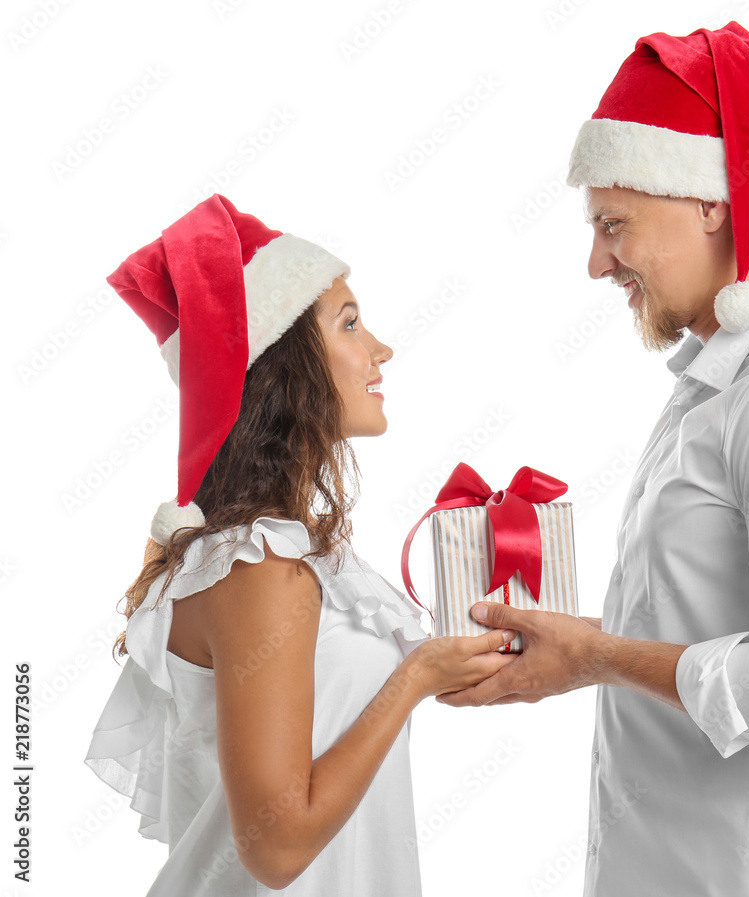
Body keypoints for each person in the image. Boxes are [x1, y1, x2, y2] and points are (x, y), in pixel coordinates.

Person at [438, 22, 749, 897]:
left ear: (710, 200)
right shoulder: (719, 384)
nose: (596, 262)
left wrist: (596, 656)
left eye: (613, 224)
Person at [83, 193, 517, 896]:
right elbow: (278, 848)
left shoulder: (298, 553)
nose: (381, 348)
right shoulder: (258, 567)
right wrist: (414, 679)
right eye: (349, 323)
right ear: (285, 367)